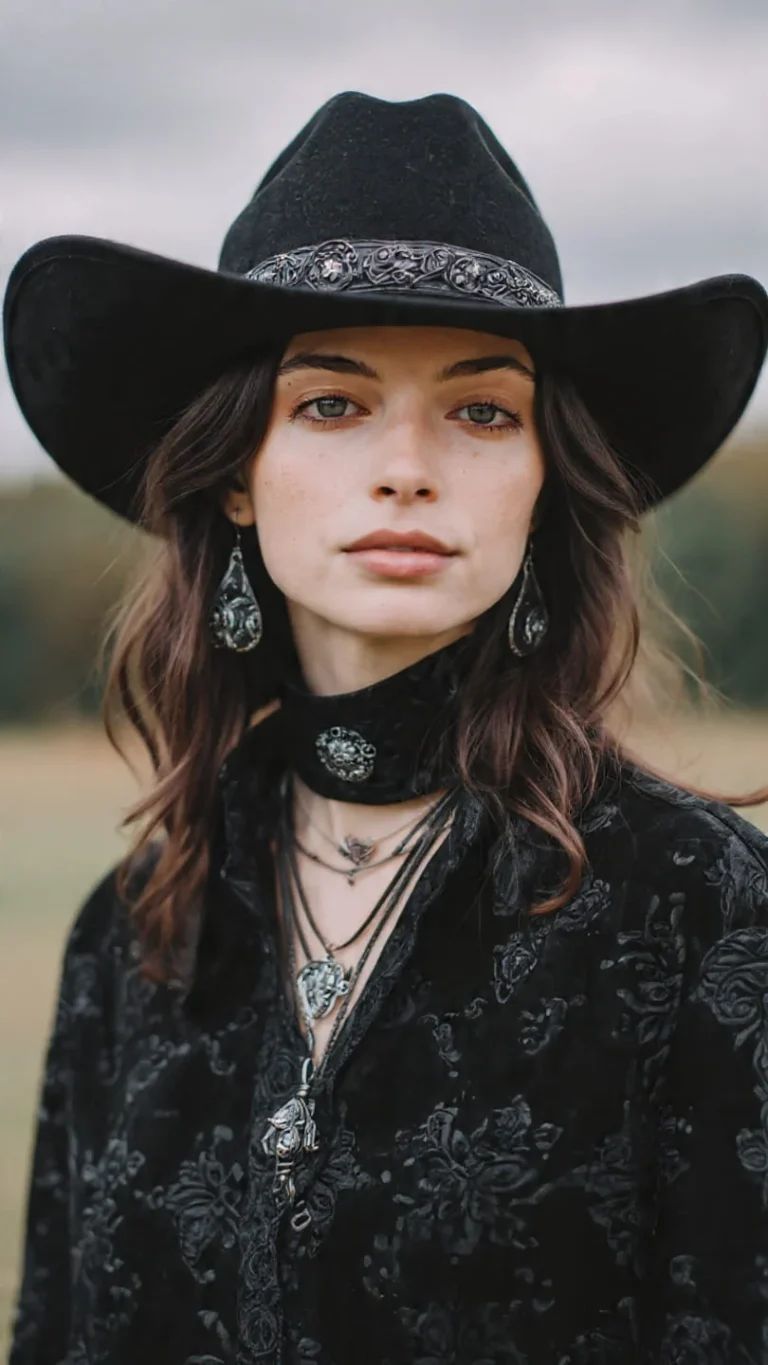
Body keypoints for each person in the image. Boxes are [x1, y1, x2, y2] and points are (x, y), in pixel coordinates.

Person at [4, 90, 768, 1365]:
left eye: (482, 411)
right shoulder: (135, 933)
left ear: (545, 484)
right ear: (237, 474)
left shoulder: (702, 912)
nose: (407, 464)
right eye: (331, 404)